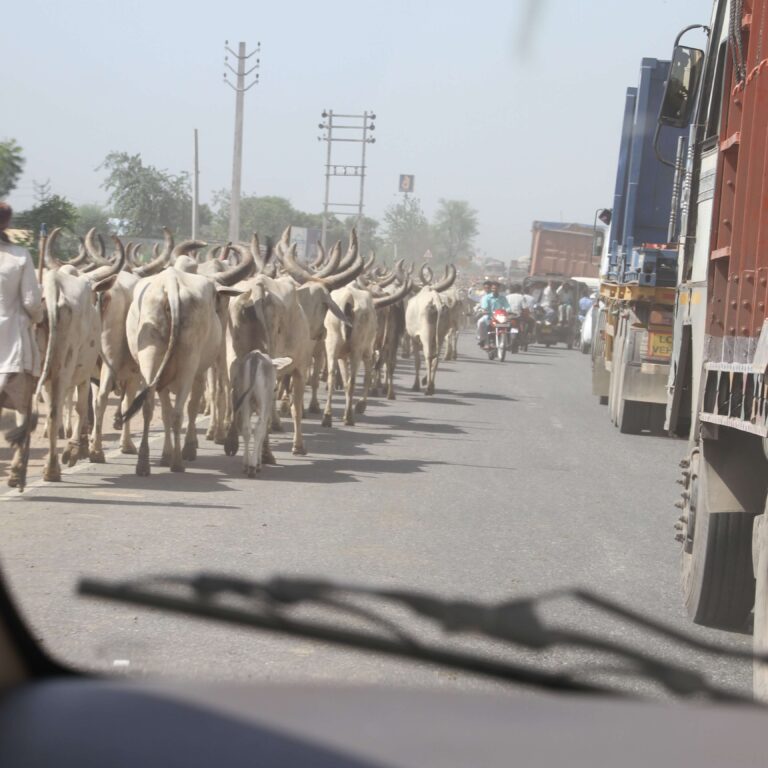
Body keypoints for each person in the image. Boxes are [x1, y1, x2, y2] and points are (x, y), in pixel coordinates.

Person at [0, 203, 44, 487]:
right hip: (11, 342)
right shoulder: (19, 256)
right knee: (22, 407)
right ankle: (18, 461)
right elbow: (30, 302)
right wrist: (40, 314)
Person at [476, 279, 510, 348]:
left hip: (500, 316)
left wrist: (509, 311)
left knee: (509, 325)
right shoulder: (486, 297)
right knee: (480, 322)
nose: (495, 289)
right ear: (491, 289)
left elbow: (507, 307)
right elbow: (484, 307)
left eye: (496, 288)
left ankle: (508, 341)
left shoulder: (503, 298)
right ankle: (482, 339)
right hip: (489, 315)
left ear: (499, 289)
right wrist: (485, 310)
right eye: (493, 288)